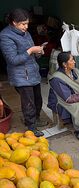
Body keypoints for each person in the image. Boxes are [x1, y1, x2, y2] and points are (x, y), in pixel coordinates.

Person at [0, 8, 47, 137]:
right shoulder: (5, 36)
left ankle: (35, 119)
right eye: (23, 24)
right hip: (21, 75)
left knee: (38, 99)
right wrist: (31, 50)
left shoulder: (25, 33)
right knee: (29, 103)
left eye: (27, 23)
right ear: (14, 22)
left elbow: (31, 54)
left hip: (33, 72)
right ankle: (31, 127)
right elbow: (13, 60)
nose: (26, 27)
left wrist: (38, 52)